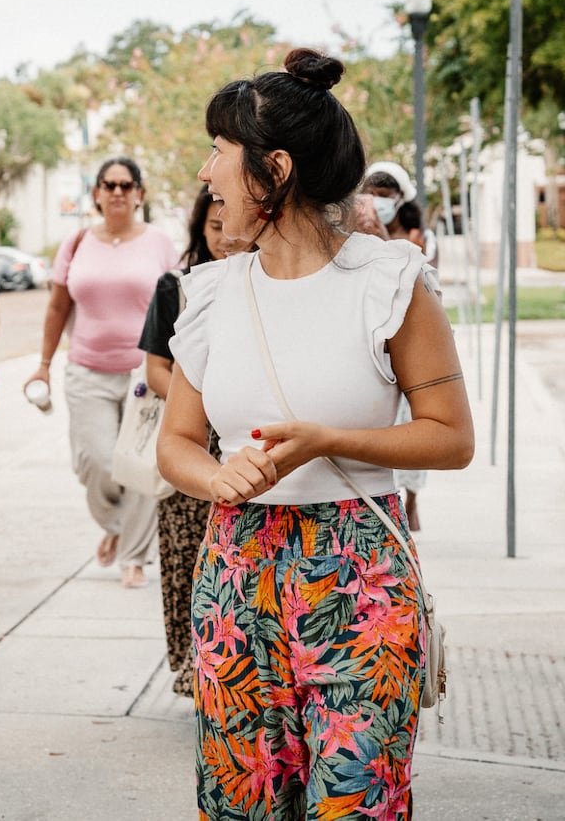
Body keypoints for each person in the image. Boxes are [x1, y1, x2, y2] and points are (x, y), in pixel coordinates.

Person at [159, 48, 474, 818]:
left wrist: (331, 439)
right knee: (242, 802)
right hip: (235, 576)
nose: (206, 172)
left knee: (356, 803)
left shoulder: (389, 283)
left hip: (359, 576)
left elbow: (451, 437)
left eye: (220, 151)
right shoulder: (210, 294)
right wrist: (216, 476)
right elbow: (175, 443)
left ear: (274, 170)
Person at [25, 157, 180, 588]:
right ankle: (116, 526)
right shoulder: (76, 242)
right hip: (87, 370)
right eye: (108, 185)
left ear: (139, 194)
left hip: (145, 375)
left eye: (126, 185)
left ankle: (134, 557)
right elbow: (57, 307)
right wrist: (43, 364)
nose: (117, 192)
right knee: (96, 462)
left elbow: (176, 306)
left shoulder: (160, 244)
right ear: (96, 193)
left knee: (139, 462)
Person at [137, 185, 233, 697]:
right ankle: (193, 669)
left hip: (241, 441)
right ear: (200, 227)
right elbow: (155, 368)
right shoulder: (175, 286)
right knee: (186, 560)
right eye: (214, 228)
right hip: (189, 439)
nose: (225, 238)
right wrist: (197, 396)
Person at [363, 161, 433, 531]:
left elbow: (418, 277)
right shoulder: (355, 228)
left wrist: (383, 238)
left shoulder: (415, 234)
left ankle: (413, 497)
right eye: (371, 194)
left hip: (409, 335)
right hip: (374, 337)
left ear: (399, 198)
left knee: (414, 420)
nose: (377, 202)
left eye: (384, 196)